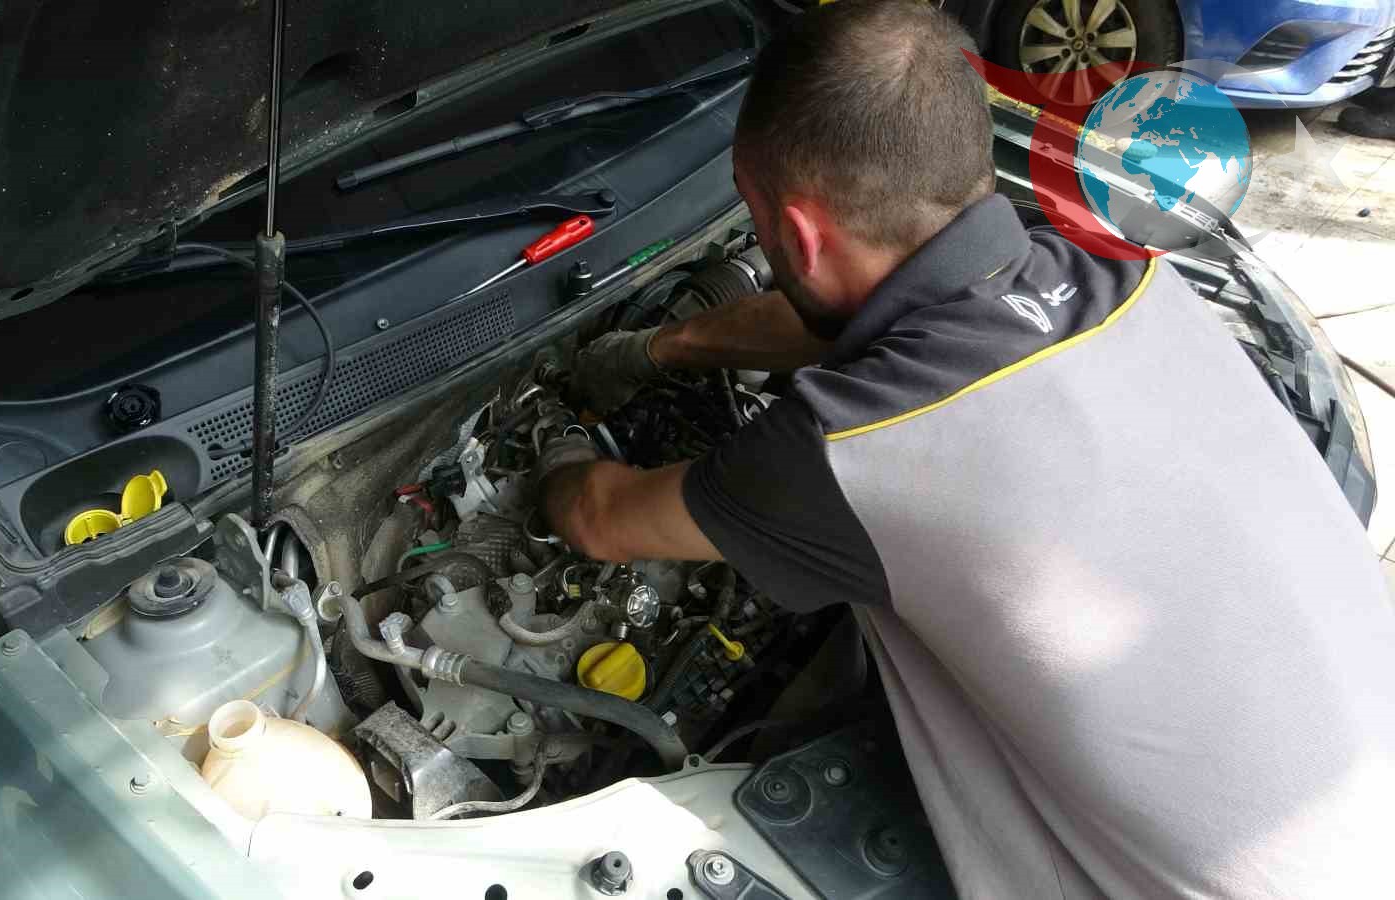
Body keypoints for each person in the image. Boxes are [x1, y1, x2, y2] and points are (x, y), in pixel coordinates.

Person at [534, 2, 1395, 897]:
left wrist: (554, 432)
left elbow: (599, 518)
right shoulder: (1121, 270)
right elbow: (881, 321)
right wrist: (663, 347)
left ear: (798, 236)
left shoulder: (850, 452)